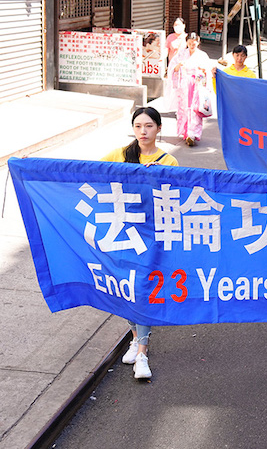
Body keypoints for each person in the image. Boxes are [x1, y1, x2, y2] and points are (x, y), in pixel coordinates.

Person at [102, 107, 178, 379]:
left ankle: (143, 354)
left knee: (144, 290)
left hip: (151, 235)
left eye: (148, 126)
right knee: (126, 289)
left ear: (159, 128)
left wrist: (158, 178)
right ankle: (135, 337)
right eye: (138, 126)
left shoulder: (168, 161)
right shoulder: (120, 155)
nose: (143, 131)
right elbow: (88, 173)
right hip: (122, 232)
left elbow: (177, 199)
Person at [168, 32, 211, 146]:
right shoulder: (181, 54)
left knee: (195, 109)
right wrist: (178, 66)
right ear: (187, 42)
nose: (192, 45)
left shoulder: (202, 55)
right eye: (190, 42)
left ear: (198, 42)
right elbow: (173, 68)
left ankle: (193, 133)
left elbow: (208, 70)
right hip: (184, 84)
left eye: (195, 42)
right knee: (184, 108)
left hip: (197, 84)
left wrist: (203, 70)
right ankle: (186, 133)